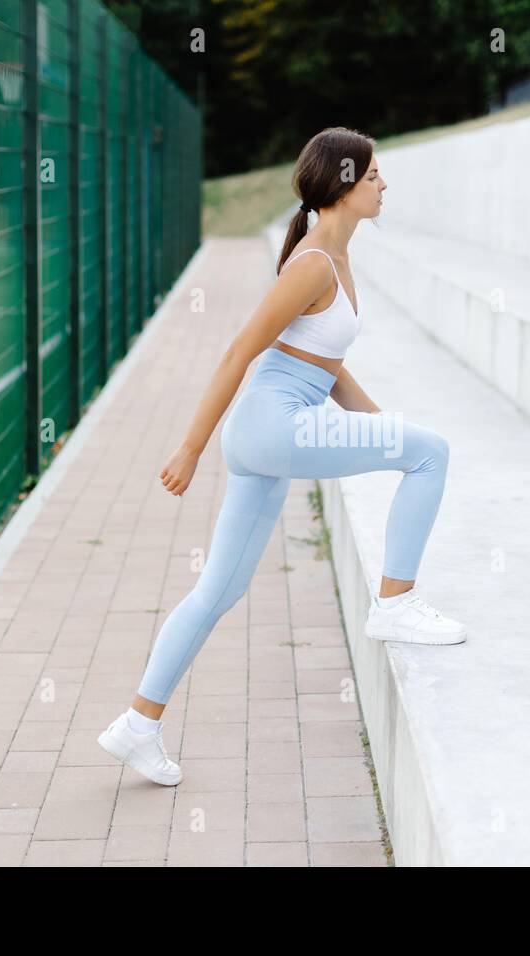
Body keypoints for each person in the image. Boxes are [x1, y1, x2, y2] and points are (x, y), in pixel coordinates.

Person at [98, 126, 464, 787]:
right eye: (375, 175)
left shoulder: (333, 256)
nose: (385, 185)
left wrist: (382, 430)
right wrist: (188, 448)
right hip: (273, 428)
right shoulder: (313, 265)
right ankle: (396, 605)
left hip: (272, 433)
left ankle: (137, 725)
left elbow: (330, 367)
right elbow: (239, 351)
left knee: (220, 589)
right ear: (345, 185)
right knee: (431, 453)